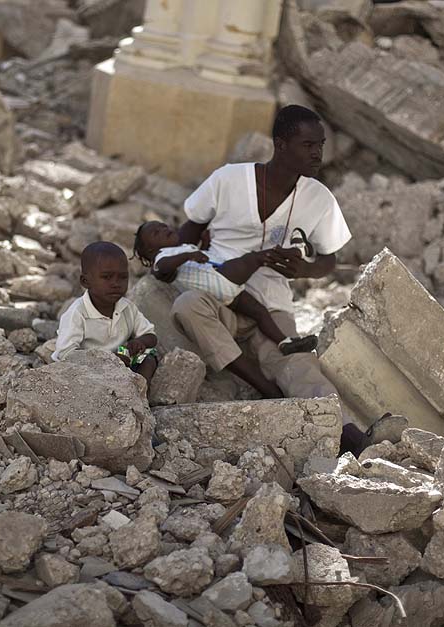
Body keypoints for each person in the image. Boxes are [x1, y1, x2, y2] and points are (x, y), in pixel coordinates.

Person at [168, 104, 368, 453]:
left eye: (320, 144)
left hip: (273, 305)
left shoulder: (319, 198)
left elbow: (329, 259)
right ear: (281, 144)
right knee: (187, 304)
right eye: (308, 144)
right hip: (220, 294)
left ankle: (352, 436)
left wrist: (302, 269)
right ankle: (265, 388)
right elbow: (191, 226)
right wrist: (178, 263)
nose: (317, 153)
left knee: (299, 365)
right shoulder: (228, 179)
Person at [132, 220, 318, 374]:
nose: (164, 229)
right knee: (255, 258)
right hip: (221, 280)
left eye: (163, 225)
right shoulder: (162, 257)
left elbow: (202, 260)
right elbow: (162, 268)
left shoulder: (183, 247)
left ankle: (284, 342)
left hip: (226, 292)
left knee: (259, 311)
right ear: (150, 251)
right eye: (156, 233)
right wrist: (189, 255)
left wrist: (203, 245)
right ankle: (297, 251)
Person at [52, 241, 158, 385]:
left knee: (149, 358)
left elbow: (151, 336)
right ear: (85, 281)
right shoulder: (77, 313)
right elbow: (65, 354)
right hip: (89, 366)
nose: (116, 283)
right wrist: (106, 360)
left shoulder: (127, 308)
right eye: (107, 277)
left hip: (122, 357)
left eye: (122, 277)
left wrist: (139, 342)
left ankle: (140, 392)